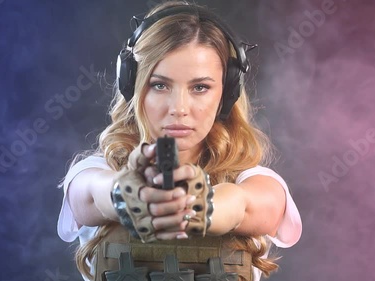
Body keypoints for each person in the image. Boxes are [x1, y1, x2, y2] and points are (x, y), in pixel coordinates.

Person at [57, 1, 302, 281]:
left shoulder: (255, 181)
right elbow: (90, 194)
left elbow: (244, 204)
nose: (179, 108)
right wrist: (124, 194)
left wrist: (202, 206)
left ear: (227, 92)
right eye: (159, 85)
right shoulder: (96, 171)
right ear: (132, 86)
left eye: (200, 87)